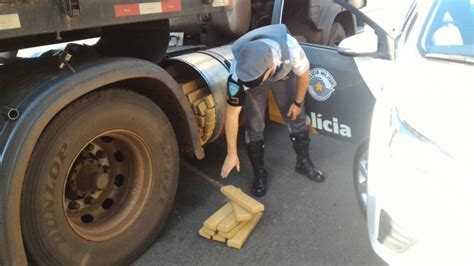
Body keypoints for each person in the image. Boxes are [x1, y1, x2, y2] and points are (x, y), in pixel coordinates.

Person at [220, 24, 325, 197]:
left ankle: (303, 163)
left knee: (296, 116)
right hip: (256, 78)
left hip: (284, 74)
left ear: (270, 70)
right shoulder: (237, 73)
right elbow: (232, 114)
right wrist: (231, 153)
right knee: (254, 126)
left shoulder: (290, 49)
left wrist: (297, 103)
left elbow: (304, 75)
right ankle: (260, 174)